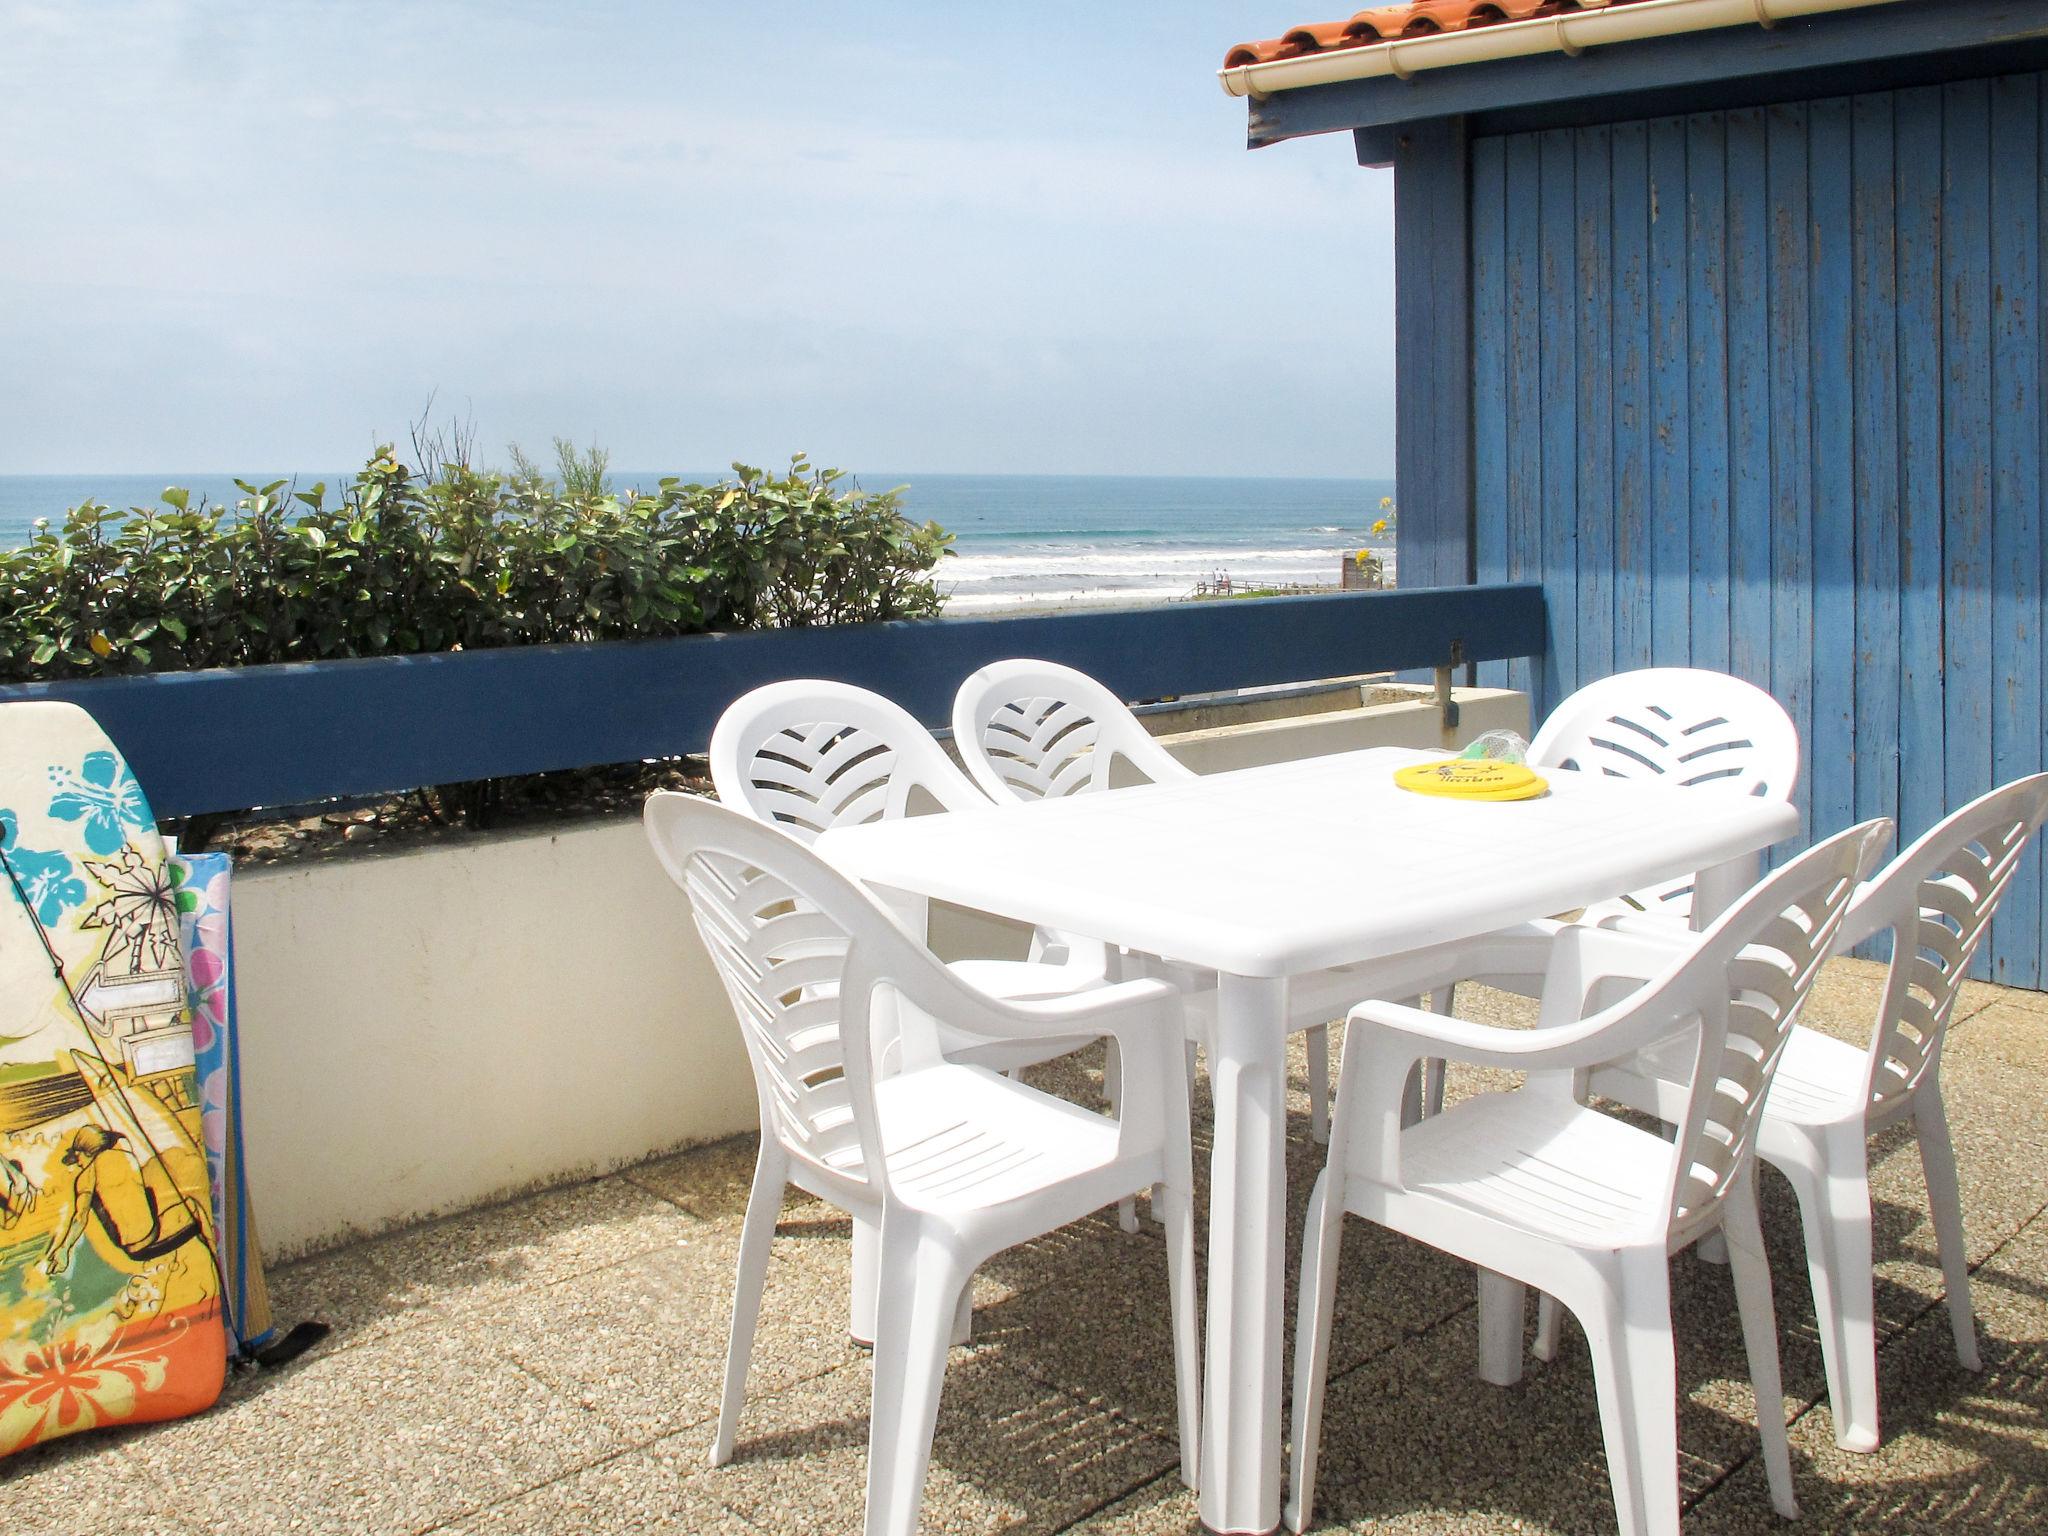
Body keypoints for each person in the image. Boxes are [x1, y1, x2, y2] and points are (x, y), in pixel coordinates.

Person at [42, 1124, 206, 1276]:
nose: (78, 1163)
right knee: (194, 1206)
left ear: (83, 1152)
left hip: (138, 1249)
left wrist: (64, 1248)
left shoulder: (86, 1177)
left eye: (78, 1157)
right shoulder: (126, 1155)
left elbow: (80, 1217)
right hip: (153, 1234)